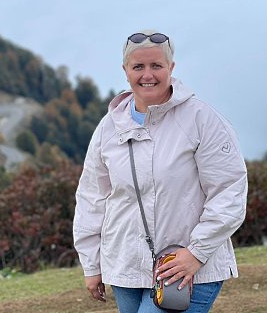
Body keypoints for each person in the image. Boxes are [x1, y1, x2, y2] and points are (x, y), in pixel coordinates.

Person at [73, 31, 247, 313]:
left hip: (187, 270)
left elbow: (229, 191)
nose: (147, 75)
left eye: (156, 65)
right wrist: (92, 264)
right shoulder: (109, 127)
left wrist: (196, 252)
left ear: (171, 67)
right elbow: (92, 198)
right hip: (126, 268)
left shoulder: (202, 119)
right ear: (125, 71)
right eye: (138, 67)